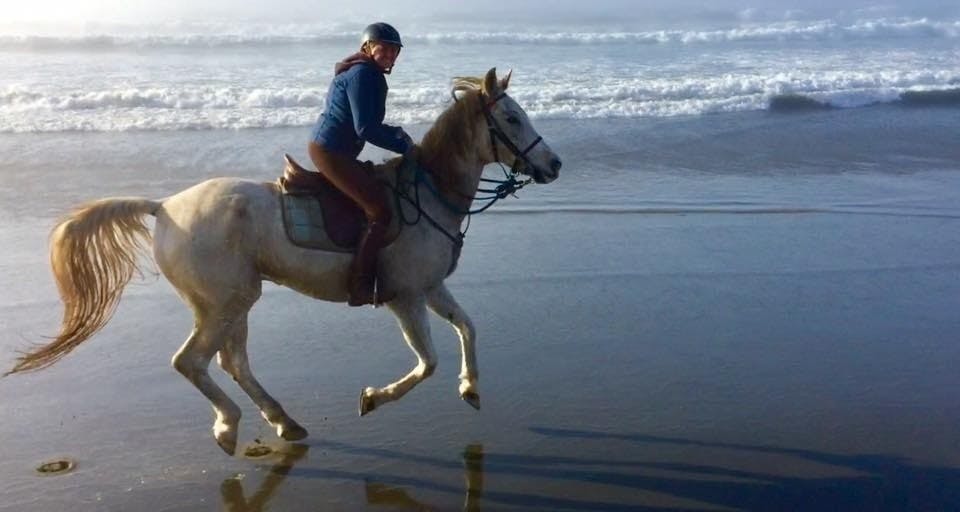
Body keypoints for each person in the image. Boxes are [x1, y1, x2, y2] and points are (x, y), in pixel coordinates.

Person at [308, 22, 414, 306]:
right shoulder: (364, 74)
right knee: (380, 211)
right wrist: (404, 146)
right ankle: (361, 286)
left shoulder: (364, 71)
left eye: (395, 50)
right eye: (385, 47)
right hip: (332, 152)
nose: (391, 54)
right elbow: (365, 128)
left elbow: (367, 123)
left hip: (337, 150)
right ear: (368, 47)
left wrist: (394, 133)